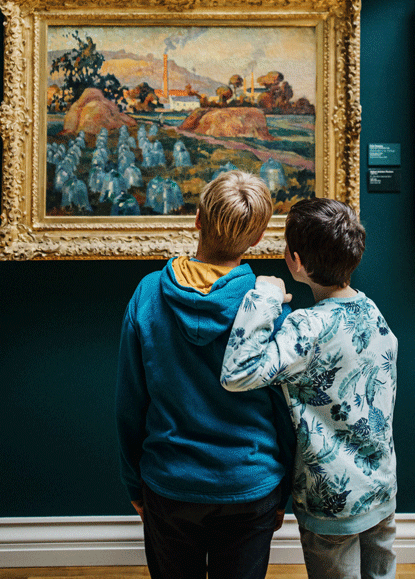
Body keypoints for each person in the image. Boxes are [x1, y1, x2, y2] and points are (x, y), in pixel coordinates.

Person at [115, 170, 295, 579]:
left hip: (169, 484)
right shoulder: (271, 309)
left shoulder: (147, 296)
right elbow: (287, 413)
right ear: (256, 238)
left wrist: (134, 484)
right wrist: (284, 491)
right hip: (250, 484)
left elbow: (130, 403)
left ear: (197, 218)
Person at [221, 198, 398, 579]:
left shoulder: (306, 328)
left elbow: (237, 373)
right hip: (381, 489)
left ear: (296, 261)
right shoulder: (372, 311)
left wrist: (264, 296)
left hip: (330, 499)